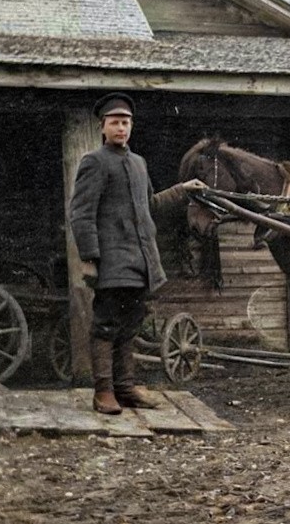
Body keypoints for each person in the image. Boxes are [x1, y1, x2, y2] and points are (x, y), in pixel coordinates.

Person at [69, 92, 206, 415]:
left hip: (141, 262)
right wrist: (89, 257)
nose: (121, 128)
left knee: (131, 325)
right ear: (103, 127)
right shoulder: (95, 162)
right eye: (115, 122)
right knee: (106, 325)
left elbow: (151, 206)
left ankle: (126, 388)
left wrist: (183, 190)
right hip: (111, 262)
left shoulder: (138, 163)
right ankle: (103, 391)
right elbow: (81, 213)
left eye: (126, 122)